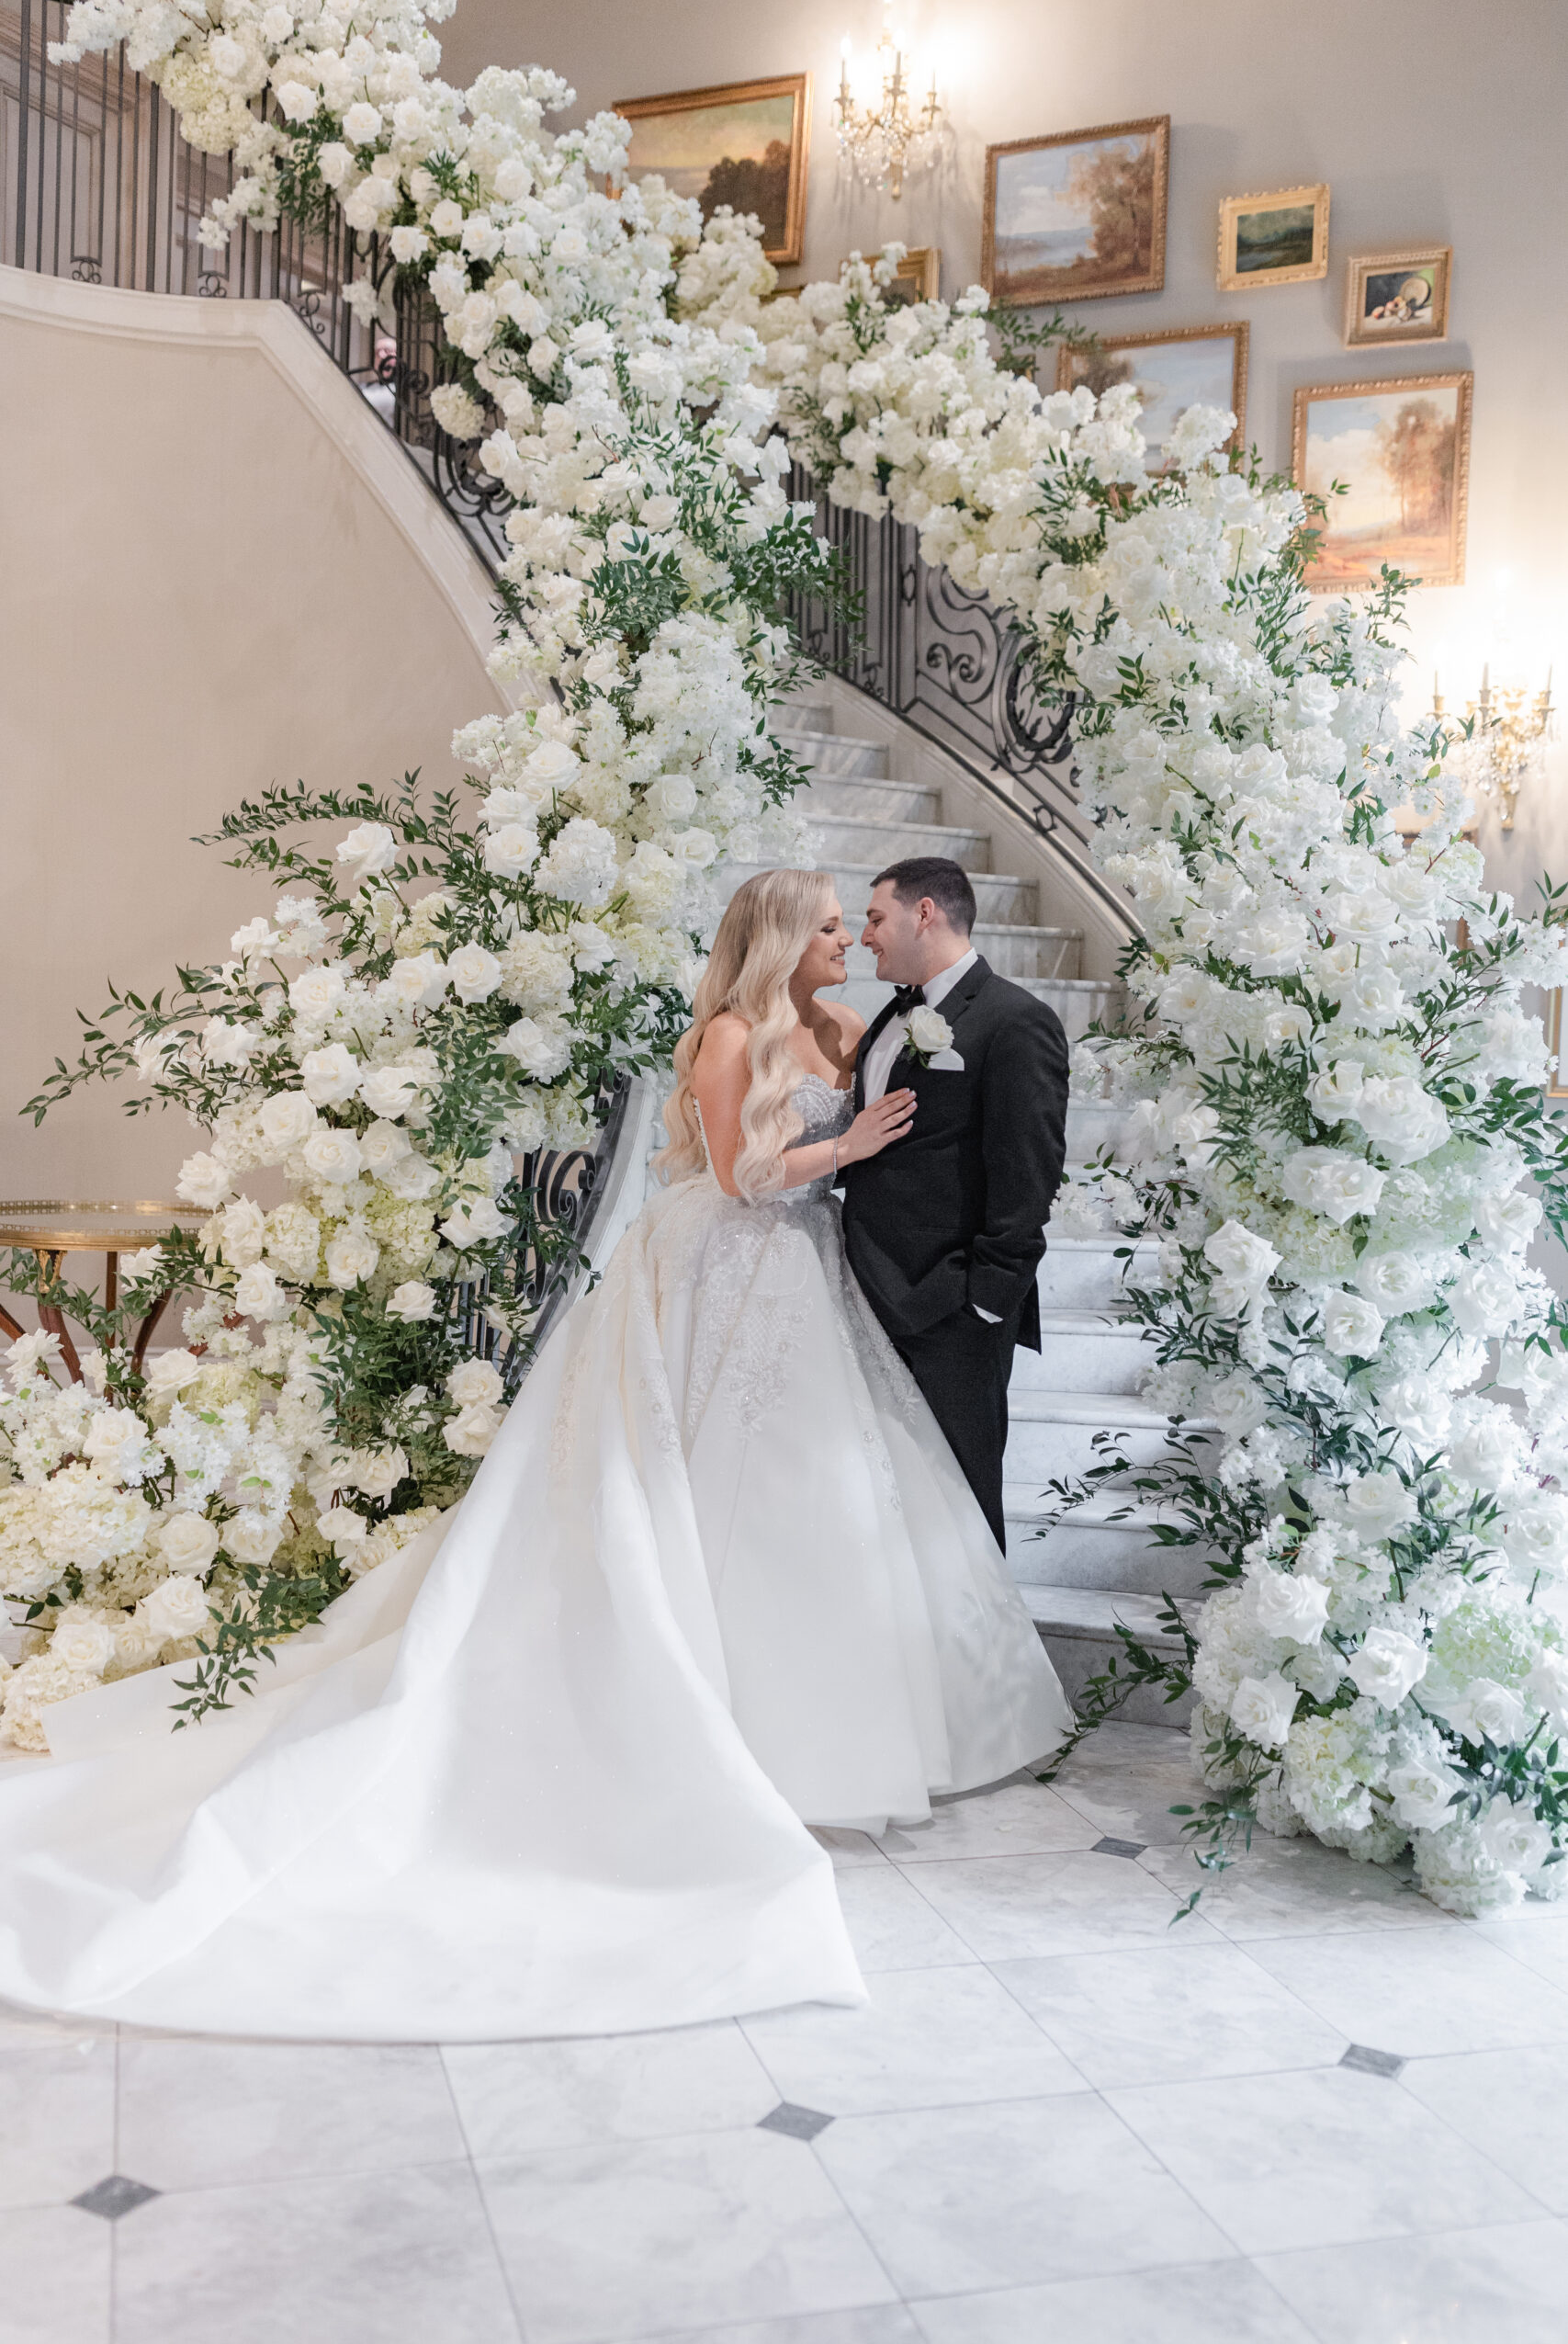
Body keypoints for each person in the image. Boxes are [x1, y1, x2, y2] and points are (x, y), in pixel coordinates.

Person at [0, 869, 1068, 2043]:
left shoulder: (855, 1028)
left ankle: (830, 1720)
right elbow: (735, 1174)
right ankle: (702, 1717)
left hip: (815, 1287)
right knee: (709, 1489)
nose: (848, 942)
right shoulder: (724, 1034)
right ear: (775, 939)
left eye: (855, 924)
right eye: (828, 927)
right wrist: (848, 1143)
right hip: (726, 1267)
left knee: (824, 1504)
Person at [841, 856, 1071, 1551]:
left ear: (924, 913)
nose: (863, 936)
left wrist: (982, 1300)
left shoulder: (1013, 1021)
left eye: (875, 917)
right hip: (867, 1298)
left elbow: (1028, 1174)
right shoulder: (893, 1014)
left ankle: (982, 1662)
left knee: (959, 1509)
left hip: (949, 1310)